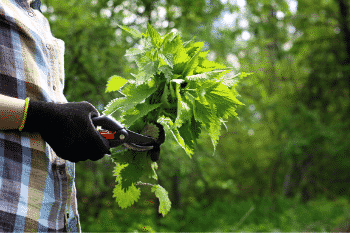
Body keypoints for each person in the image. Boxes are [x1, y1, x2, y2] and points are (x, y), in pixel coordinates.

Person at [0, 0, 108, 231]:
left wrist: (126, 135)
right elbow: (48, 117)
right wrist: (39, 116)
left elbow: (58, 121)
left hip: (50, 220)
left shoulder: (38, 18)